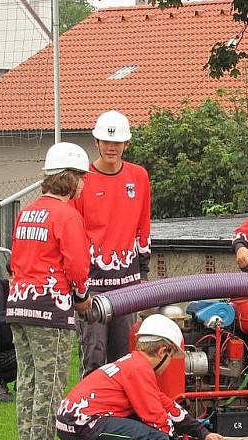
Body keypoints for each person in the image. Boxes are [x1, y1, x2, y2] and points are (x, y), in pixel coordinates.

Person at [57, 314, 225, 440]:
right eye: (171, 357)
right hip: (84, 426)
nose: (168, 364)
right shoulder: (139, 369)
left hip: (74, 424)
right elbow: (157, 419)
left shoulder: (132, 364)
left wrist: (203, 433)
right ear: (162, 351)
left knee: (143, 428)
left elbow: (167, 406)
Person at [6, 142, 92, 440]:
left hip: (19, 303)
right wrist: (82, 296)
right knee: (51, 380)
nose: (83, 184)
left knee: (27, 379)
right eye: (81, 178)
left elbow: (17, 260)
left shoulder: (28, 211)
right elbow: (77, 266)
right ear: (70, 180)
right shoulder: (67, 214)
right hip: (49, 307)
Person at [71, 110, 151, 377]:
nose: (111, 147)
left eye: (117, 143)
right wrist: (78, 285)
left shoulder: (139, 176)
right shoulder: (82, 179)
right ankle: (90, 413)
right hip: (93, 284)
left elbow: (143, 225)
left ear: (126, 144)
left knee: (125, 358)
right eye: (106, 142)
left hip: (127, 283)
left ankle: (119, 413)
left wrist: (144, 273)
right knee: (94, 356)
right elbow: (73, 233)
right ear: (96, 142)